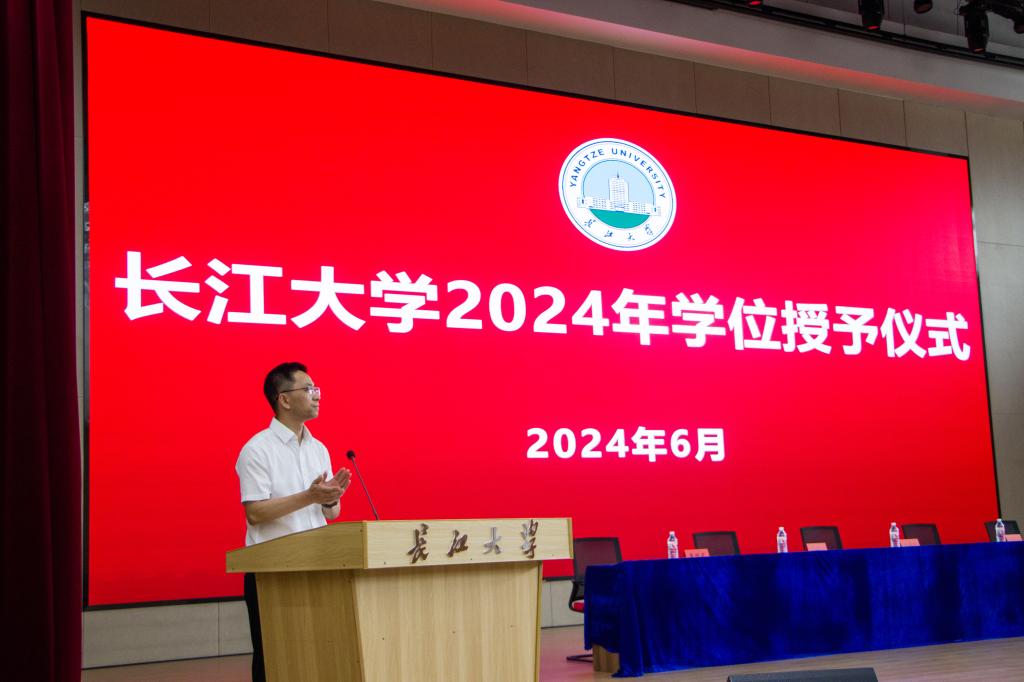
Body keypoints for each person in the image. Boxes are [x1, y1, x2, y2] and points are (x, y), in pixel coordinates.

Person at [235, 361, 351, 682]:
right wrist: (310, 496)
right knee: (274, 658)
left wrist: (330, 498)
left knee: (315, 655)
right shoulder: (257, 450)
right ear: (284, 399)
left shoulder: (319, 448)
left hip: (316, 567)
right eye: (308, 389)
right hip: (271, 572)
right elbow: (255, 513)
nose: (317, 396)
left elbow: (331, 514)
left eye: (316, 389)